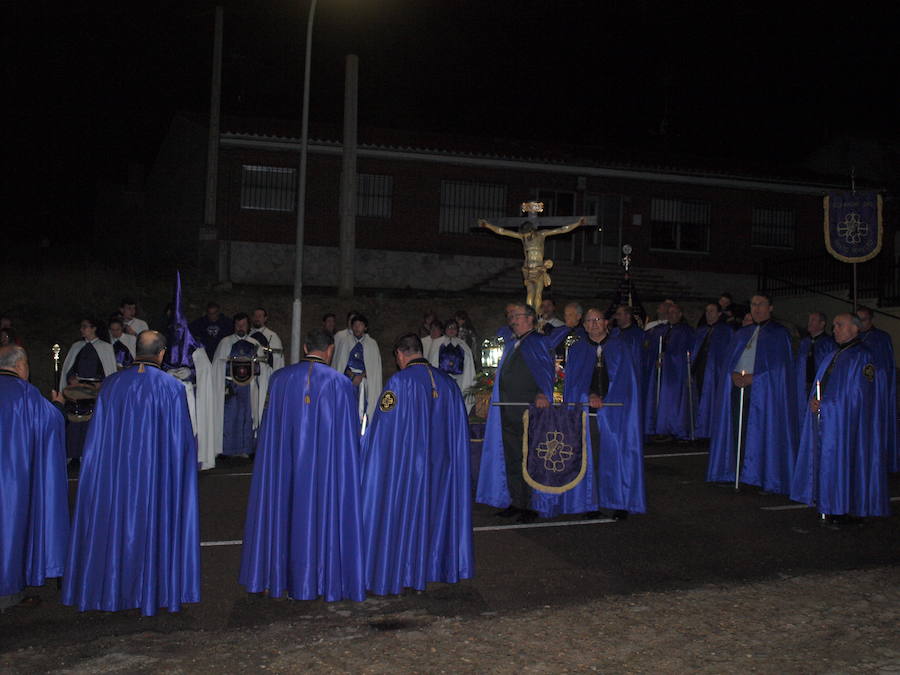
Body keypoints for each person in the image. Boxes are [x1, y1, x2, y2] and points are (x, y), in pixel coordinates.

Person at [62, 331, 200, 616]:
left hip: (116, 475)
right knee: (153, 527)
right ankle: (152, 591)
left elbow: (98, 438)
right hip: (155, 477)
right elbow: (180, 443)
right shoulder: (171, 387)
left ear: (137, 350)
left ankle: (110, 588)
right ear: (161, 353)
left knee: (113, 525)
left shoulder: (112, 385)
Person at [239, 329, 365, 602]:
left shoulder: (279, 379)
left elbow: (269, 430)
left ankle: (275, 576)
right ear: (330, 351)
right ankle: (324, 579)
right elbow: (348, 436)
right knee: (324, 514)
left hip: (286, 466)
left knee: (282, 512)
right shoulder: (341, 383)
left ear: (305, 347)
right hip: (325, 470)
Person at [360, 334, 473, 595]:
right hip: (442, 469)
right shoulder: (448, 384)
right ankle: (436, 567)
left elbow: (383, 429)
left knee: (406, 516)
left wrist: (362, 444)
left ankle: (407, 571)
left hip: (410, 468)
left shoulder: (399, 382)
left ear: (400, 355)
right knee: (436, 513)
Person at [532, 308, 645, 519]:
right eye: (589, 321)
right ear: (584, 326)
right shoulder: (577, 350)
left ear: (606, 323)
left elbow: (628, 382)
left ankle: (619, 502)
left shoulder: (621, 348)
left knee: (616, 456)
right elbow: (573, 382)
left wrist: (609, 400)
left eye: (598, 319)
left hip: (616, 413)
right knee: (588, 458)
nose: (594, 324)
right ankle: (590, 503)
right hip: (586, 412)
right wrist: (588, 395)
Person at [790, 314, 891, 525]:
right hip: (832, 419)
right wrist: (815, 402)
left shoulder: (863, 356)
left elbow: (861, 394)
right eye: (834, 325)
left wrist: (826, 405)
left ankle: (848, 508)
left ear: (854, 329)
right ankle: (832, 503)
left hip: (851, 423)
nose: (834, 329)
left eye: (839, 325)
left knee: (848, 460)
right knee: (830, 460)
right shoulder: (835, 354)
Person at [706, 293, 798, 494]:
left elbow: (780, 369)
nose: (756, 308)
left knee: (761, 430)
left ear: (770, 307)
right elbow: (729, 361)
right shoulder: (742, 333)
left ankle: (762, 475)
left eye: (760, 304)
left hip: (764, 393)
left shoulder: (779, 334)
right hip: (738, 387)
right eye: (753, 304)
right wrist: (732, 374)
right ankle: (737, 471)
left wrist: (755, 378)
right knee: (736, 429)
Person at [0, 346, 69, 612]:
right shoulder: (25, 394)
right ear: (19, 366)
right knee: (9, 530)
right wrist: (58, 405)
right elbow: (50, 422)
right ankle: (7, 593)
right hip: (11, 480)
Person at [477, 303, 554, 523]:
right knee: (511, 457)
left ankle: (531, 504)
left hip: (528, 410)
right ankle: (516, 501)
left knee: (528, 458)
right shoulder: (512, 344)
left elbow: (546, 370)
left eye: (516, 315)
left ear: (530, 318)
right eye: (510, 316)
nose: (512, 319)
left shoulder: (538, 342)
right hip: (507, 409)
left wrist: (543, 393)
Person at [58, 317, 117, 466]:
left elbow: (109, 371)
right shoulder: (76, 346)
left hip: (95, 392)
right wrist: (71, 378)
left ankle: (88, 455)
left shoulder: (106, 347)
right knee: (73, 421)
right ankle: (71, 454)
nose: (82, 329)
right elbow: (69, 368)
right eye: (82, 327)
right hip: (77, 391)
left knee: (91, 422)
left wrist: (102, 383)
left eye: (85, 326)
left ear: (94, 328)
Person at [212, 313, 271, 459]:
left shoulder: (255, 344)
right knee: (229, 418)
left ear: (248, 326)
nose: (240, 327)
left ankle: (248, 448)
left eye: (243, 325)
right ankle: (226, 450)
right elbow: (217, 365)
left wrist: (257, 366)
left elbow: (263, 366)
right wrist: (228, 365)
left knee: (248, 417)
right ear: (234, 326)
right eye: (238, 325)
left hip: (249, 388)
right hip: (230, 388)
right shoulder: (225, 343)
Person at [856, 306, 898, 473]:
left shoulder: (881, 338)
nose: (861, 323)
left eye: (864, 319)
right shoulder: (853, 338)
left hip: (875, 390)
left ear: (871, 319)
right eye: (858, 320)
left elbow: (883, 368)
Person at [644, 303, 694, 442]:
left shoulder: (686, 331)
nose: (671, 315)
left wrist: (668, 358)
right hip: (661, 372)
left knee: (673, 400)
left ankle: (672, 428)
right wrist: (656, 359)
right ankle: (659, 428)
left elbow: (685, 353)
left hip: (675, 373)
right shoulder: (661, 330)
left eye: (674, 313)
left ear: (680, 314)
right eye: (669, 313)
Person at [691, 302, 734, 439]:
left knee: (714, 400)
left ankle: (713, 431)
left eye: (711, 311)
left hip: (716, 372)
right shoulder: (700, 331)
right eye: (707, 311)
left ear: (719, 313)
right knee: (699, 397)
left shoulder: (726, 331)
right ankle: (700, 429)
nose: (708, 314)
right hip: (700, 369)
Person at [332, 314, 382, 422]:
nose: (357, 327)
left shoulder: (372, 344)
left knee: (363, 405)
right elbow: (340, 363)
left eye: (360, 325)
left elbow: (373, 368)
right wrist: (352, 376)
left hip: (364, 382)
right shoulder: (345, 342)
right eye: (355, 325)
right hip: (347, 380)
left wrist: (361, 376)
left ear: (365, 327)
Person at [426, 319, 477, 413]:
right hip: (441, 381)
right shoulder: (437, 344)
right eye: (449, 327)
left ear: (457, 330)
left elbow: (468, 363)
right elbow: (432, 362)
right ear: (445, 329)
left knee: (456, 403)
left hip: (459, 381)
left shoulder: (463, 345)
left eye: (454, 328)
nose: (451, 330)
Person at [794, 312, 836, 421]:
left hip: (819, 386)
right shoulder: (804, 342)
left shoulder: (829, 343)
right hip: (803, 385)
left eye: (813, 320)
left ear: (822, 324)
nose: (809, 323)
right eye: (809, 320)